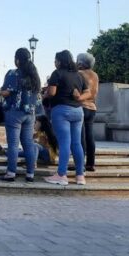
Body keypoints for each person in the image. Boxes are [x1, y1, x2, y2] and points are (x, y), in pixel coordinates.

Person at [43, 50, 90, 186]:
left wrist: (45, 94)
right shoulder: (79, 76)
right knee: (77, 144)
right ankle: (80, 176)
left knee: (64, 143)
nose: (54, 62)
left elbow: (52, 92)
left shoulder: (57, 73)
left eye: (56, 60)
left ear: (60, 61)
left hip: (61, 110)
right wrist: (79, 98)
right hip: (78, 111)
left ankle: (61, 175)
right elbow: (88, 93)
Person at [0, 48, 41, 183]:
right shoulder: (34, 76)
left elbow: (5, 92)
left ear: (17, 59)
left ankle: (11, 173)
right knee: (28, 144)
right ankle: (30, 174)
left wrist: (3, 91)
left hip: (14, 112)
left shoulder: (13, 74)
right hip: (30, 114)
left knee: (13, 144)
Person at [76, 52, 100, 172]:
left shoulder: (79, 74)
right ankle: (91, 163)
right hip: (92, 108)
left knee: (81, 137)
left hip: (81, 106)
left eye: (77, 61)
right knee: (90, 136)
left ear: (80, 63)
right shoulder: (95, 75)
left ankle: (80, 164)